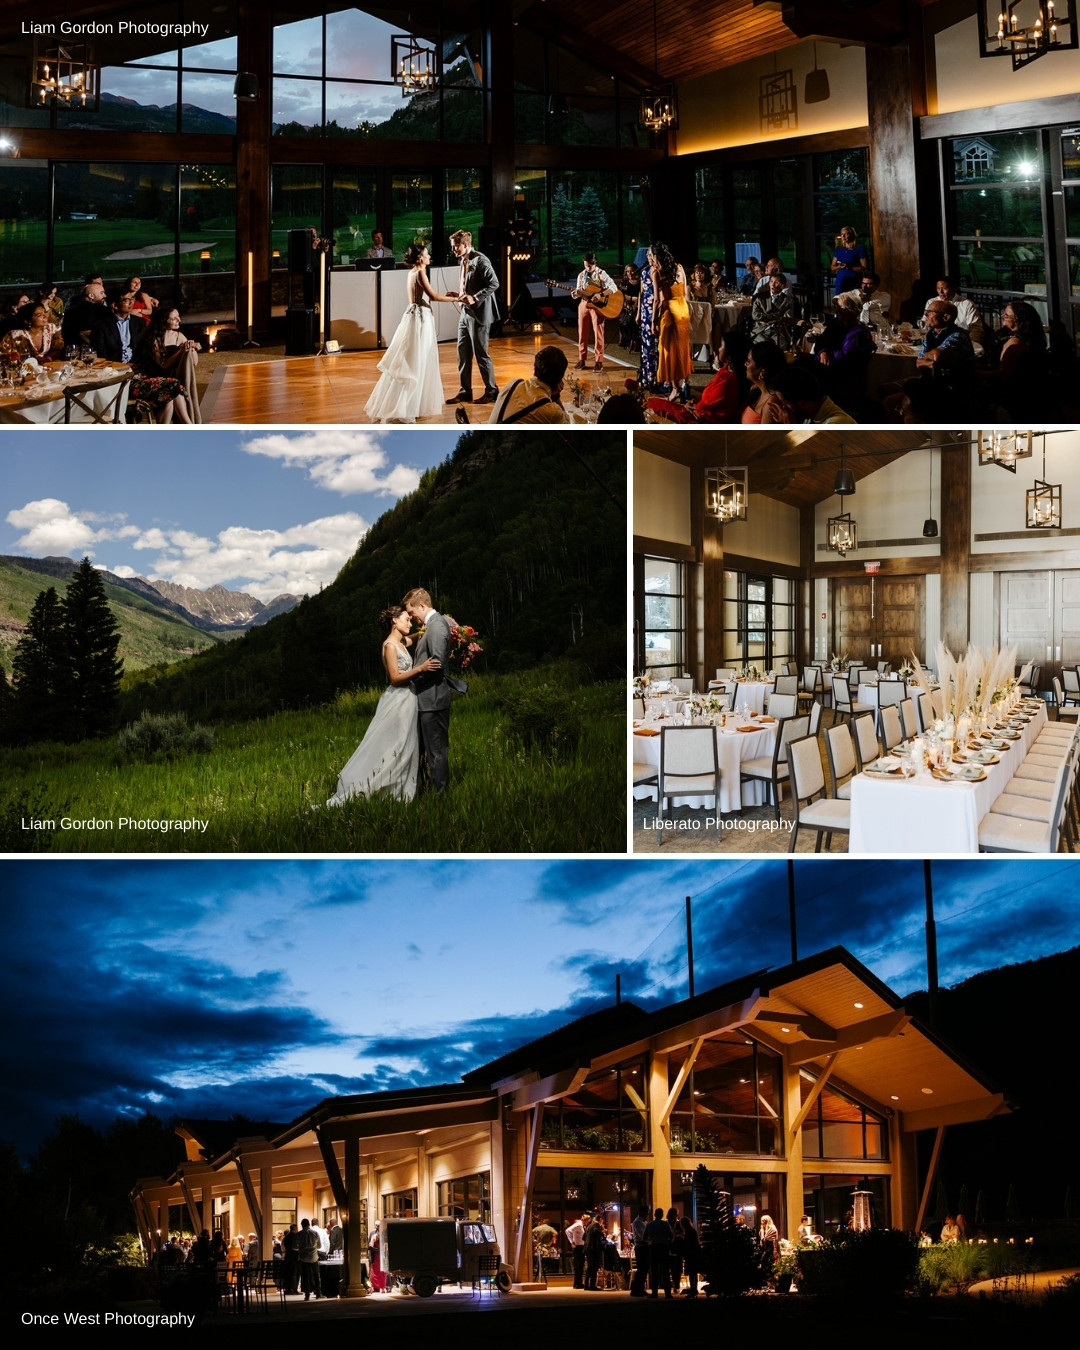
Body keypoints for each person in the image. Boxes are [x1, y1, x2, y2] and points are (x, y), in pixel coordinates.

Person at [325, 605, 441, 805]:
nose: (410, 622)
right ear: (395, 621)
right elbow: (395, 678)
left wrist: (431, 625)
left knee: (405, 745)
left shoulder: (402, 641)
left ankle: (400, 787)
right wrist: (421, 668)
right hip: (398, 700)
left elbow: (415, 636)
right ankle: (379, 787)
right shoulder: (389, 645)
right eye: (406, 618)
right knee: (393, 744)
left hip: (408, 699)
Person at [365, 243, 456, 423]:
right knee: (417, 361)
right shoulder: (420, 272)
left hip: (414, 315)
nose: (429, 256)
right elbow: (434, 297)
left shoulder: (412, 272)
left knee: (413, 360)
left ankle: (412, 404)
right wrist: (457, 298)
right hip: (421, 319)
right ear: (420, 257)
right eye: (427, 253)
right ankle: (407, 406)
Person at [404, 587, 453, 793]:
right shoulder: (430, 625)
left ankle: (441, 796)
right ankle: (426, 791)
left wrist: (412, 681)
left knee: (436, 751)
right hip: (427, 699)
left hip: (433, 699)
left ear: (422, 605)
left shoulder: (436, 626)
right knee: (426, 751)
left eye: (412, 612)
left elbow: (437, 663)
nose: (412, 617)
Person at [446, 228, 499, 405]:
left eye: (455, 247)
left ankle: (492, 391)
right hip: (465, 312)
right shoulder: (463, 260)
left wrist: (474, 297)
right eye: (453, 247)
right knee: (462, 353)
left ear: (466, 245)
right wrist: (460, 294)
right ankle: (465, 392)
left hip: (479, 313)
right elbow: (468, 284)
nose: (453, 249)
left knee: (481, 354)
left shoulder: (481, 260)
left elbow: (494, 283)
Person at [136, 307, 203, 422]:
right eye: (174, 319)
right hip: (155, 376)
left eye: (178, 317)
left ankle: (187, 426)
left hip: (175, 377)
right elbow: (164, 365)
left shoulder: (179, 336)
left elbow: (194, 362)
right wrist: (180, 351)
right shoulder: (154, 339)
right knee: (172, 390)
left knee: (174, 387)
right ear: (164, 320)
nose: (179, 320)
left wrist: (192, 348)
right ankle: (189, 425)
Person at [651, 240, 691, 399]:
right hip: (683, 309)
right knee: (682, 348)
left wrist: (653, 321)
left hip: (670, 311)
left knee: (669, 350)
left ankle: (675, 388)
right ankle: (685, 384)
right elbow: (686, 291)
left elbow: (656, 300)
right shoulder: (679, 267)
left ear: (655, 256)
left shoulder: (657, 272)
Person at [487, 344, 568, 423]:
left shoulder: (512, 384)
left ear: (535, 367)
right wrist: (556, 396)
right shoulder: (552, 411)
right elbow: (567, 424)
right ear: (559, 379)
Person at [571, 252, 618, 371]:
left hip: (597, 306)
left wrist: (600, 294)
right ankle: (582, 359)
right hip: (584, 304)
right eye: (585, 265)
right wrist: (575, 294)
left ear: (594, 264)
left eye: (589, 266)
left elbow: (613, 287)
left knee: (598, 333)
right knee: (582, 333)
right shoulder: (581, 275)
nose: (587, 268)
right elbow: (579, 291)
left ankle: (599, 361)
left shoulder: (602, 274)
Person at [922, 276, 983, 345]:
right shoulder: (932, 302)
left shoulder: (967, 304)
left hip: (961, 342)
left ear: (954, 289)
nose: (941, 292)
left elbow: (976, 329)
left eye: (944, 288)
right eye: (938, 288)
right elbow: (925, 325)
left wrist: (971, 345)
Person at [742, 340, 787, 423]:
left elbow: (764, 435)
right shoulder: (756, 390)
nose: (745, 364)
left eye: (749, 361)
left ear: (762, 370)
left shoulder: (771, 403)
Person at [752, 273, 794, 349]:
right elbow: (755, 315)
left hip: (778, 331)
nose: (773, 285)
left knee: (781, 345)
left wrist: (768, 319)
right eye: (771, 281)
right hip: (761, 330)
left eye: (776, 282)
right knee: (764, 345)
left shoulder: (788, 300)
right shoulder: (760, 297)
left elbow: (787, 318)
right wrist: (777, 317)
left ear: (783, 286)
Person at [62, 279, 107, 348]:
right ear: (91, 296)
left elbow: (65, 336)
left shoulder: (69, 312)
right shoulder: (104, 311)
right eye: (101, 293)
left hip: (74, 351)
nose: (105, 296)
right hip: (98, 353)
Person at [637, 251, 658, 388]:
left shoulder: (658, 272)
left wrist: (654, 319)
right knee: (645, 344)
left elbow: (657, 296)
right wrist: (638, 312)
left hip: (654, 310)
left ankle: (655, 377)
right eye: (648, 256)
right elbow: (641, 292)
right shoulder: (644, 271)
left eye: (652, 256)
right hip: (644, 309)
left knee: (653, 345)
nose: (650, 258)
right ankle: (645, 376)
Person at [644, 1207, 673, 1298]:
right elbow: (671, 1235)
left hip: (653, 1247)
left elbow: (644, 1237)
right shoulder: (665, 1224)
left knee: (654, 1271)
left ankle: (654, 1293)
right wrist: (668, 1241)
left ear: (654, 1215)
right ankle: (668, 1293)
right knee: (665, 1270)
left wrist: (650, 1241)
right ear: (662, 1215)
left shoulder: (650, 1224)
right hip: (663, 1247)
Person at [831, 225, 867, 295]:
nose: (843, 236)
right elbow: (832, 267)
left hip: (854, 280)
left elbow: (864, 268)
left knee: (853, 302)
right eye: (842, 234)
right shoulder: (839, 249)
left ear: (852, 235)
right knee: (839, 302)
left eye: (846, 234)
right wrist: (839, 267)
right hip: (841, 280)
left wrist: (849, 267)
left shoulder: (859, 248)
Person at [617, 263, 641, 350]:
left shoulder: (641, 283)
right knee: (623, 321)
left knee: (634, 321)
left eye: (631, 271)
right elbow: (620, 297)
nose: (629, 273)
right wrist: (626, 305)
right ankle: (627, 340)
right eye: (627, 272)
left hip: (638, 308)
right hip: (627, 307)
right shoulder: (624, 283)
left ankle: (636, 341)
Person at [297, 1218, 322, 1299]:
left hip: (303, 1257)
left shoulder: (299, 1234)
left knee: (305, 1276)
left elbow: (295, 1246)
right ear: (309, 1224)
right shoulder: (315, 1233)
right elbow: (319, 1246)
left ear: (302, 1225)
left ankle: (307, 1294)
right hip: (314, 1257)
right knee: (316, 1276)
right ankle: (318, 1293)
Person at [630, 1205, 651, 1297]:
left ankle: (640, 1289)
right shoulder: (638, 1222)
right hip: (641, 1246)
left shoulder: (643, 1222)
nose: (647, 1215)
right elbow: (643, 1235)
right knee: (641, 1269)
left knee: (644, 1269)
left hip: (644, 1246)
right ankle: (636, 1289)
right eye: (646, 1213)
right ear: (642, 1212)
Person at [583, 1210, 606, 1290]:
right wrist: (602, 1232)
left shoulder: (589, 1226)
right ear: (600, 1220)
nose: (602, 1223)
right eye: (602, 1222)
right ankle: (592, 1285)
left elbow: (583, 1237)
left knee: (589, 1267)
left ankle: (586, 1285)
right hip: (593, 1249)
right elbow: (597, 1233)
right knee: (594, 1267)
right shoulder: (596, 1225)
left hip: (587, 1248)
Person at [565, 1212, 588, 1289]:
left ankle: (579, 1282)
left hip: (581, 1246)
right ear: (585, 1220)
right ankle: (577, 1283)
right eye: (587, 1221)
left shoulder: (582, 1226)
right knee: (578, 1265)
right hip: (578, 1246)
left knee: (580, 1265)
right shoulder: (578, 1225)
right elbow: (568, 1231)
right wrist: (572, 1241)